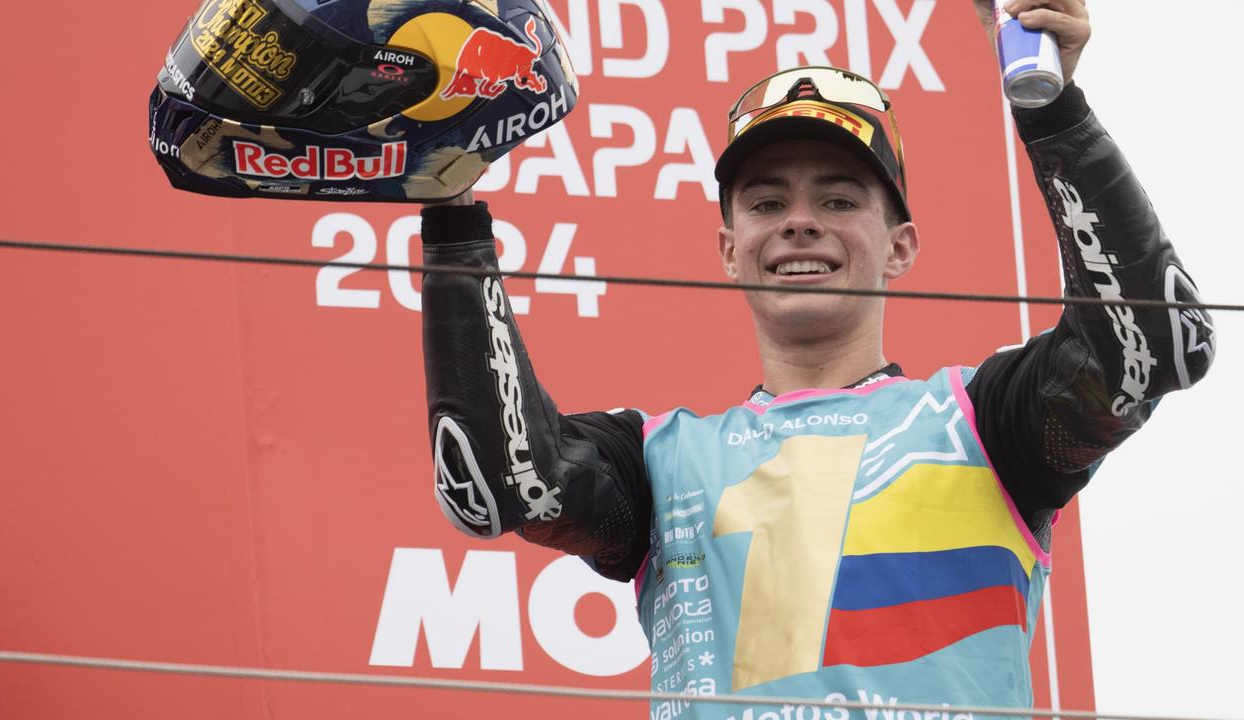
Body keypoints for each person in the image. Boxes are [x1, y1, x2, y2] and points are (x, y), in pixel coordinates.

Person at [420, 1, 1214, 717]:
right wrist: (453, 209)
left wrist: (1053, 110)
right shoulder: (656, 460)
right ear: (730, 250)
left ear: (900, 246)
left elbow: (1149, 345)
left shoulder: (986, 422)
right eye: (768, 203)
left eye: (838, 199)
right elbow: (502, 482)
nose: (800, 222)